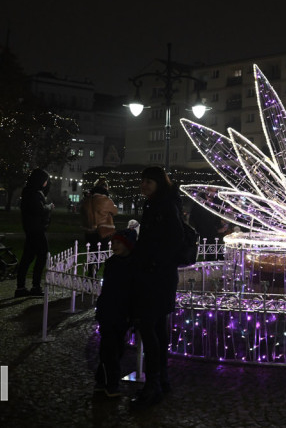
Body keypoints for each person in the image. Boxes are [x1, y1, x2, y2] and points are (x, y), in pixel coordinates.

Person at [130, 167, 184, 409]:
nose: (144, 185)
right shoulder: (155, 204)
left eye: (148, 181)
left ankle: (153, 385)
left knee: (149, 327)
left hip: (157, 277)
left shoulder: (164, 206)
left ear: (158, 184)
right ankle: (161, 379)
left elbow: (175, 239)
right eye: (142, 181)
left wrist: (153, 263)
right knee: (157, 329)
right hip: (156, 274)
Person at [93, 228, 138, 398]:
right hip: (109, 311)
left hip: (122, 312)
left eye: (118, 243)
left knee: (116, 347)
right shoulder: (112, 263)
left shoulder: (133, 264)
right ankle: (111, 383)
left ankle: (101, 379)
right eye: (113, 243)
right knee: (110, 348)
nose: (113, 246)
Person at [15, 168, 54, 298]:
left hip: (32, 229)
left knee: (28, 257)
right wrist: (49, 207)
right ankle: (35, 286)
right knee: (42, 255)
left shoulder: (30, 192)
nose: (46, 183)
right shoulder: (33, 193)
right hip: (36, 229)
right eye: (45, 180)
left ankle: (21, 287)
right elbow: (39, 210)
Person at [81, 177, 117, 248]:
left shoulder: (88, 199)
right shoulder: (106, 200)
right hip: (103, 230)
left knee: (91, 252)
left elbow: (82, 211)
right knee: (102, 252)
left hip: (89, 230)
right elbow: (115, 211)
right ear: (105, 187)